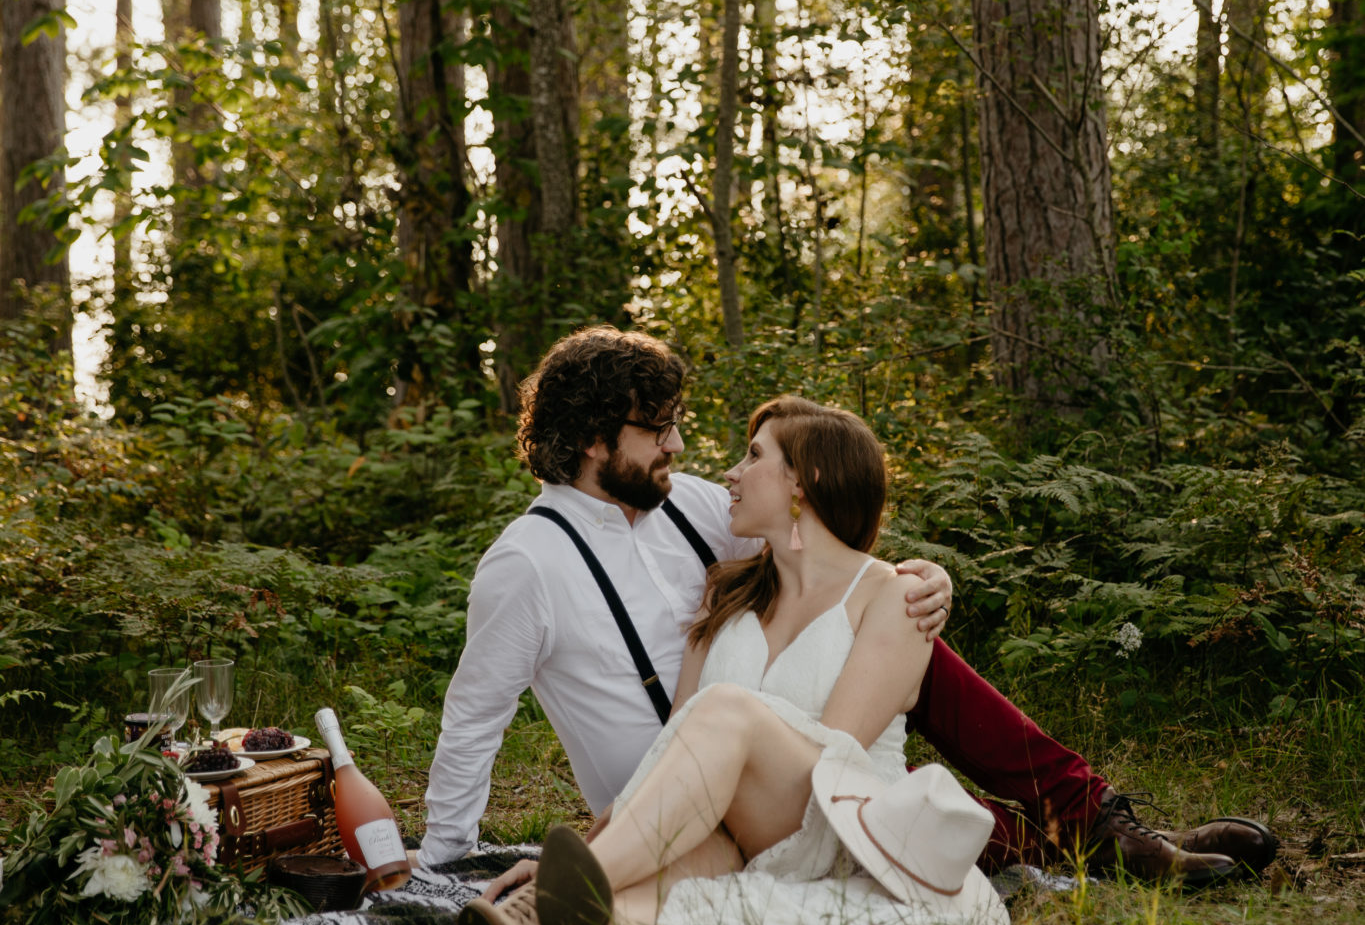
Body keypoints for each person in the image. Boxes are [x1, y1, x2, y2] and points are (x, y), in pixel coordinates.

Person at [419, 327, 1276, 888]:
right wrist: (442, 861)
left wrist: (917, 574)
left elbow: (818, 558)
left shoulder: (690, 509)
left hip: (782, 741)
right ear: (597, 442)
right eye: (658, 429)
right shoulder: (524, 565)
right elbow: (471, 721)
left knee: (898, 627)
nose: (679, 445)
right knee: (878, 781)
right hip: (674, 799)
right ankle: (1085, 848)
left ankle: (1099, 826)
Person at [460, 395, 1009, 925]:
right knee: (659, 874)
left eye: (752, 456)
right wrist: (598, 843)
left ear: (805, 479)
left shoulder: (894, 596)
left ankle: (564, 897)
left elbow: (838, 754)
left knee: (725, 709)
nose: (730, 472)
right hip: (735, 829)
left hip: (830, 820)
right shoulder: (727, 594)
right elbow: (674, 740)